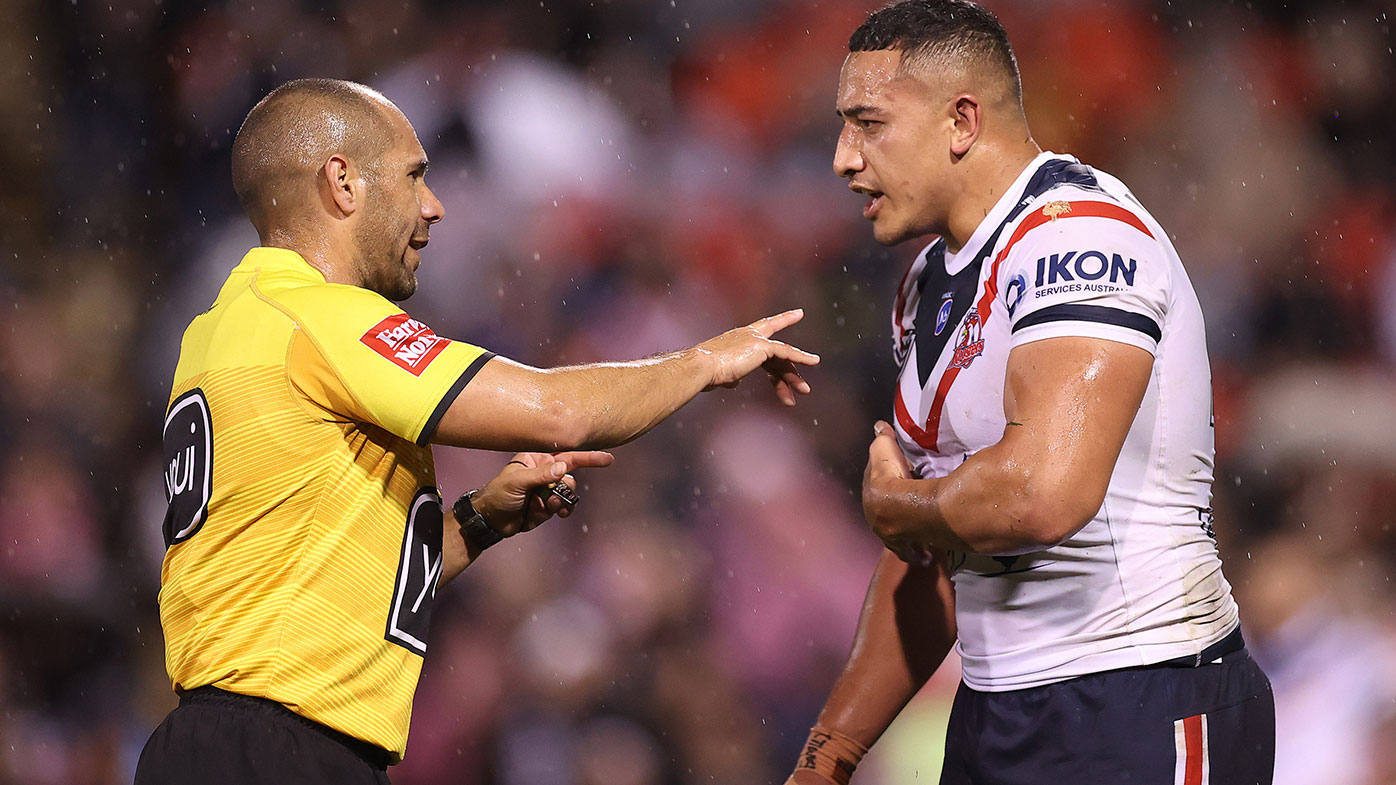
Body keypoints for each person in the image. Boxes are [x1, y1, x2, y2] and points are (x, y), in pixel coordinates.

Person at [136, 78, 819, 785]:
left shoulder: (220, 330)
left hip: (220, 743)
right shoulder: (317, 317)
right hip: (277, 750)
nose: (433, 206)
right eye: (412, 176)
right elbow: (557, 411)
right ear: (341, 182)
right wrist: (706, 359)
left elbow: (323, 577)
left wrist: (479, 523)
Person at [786, 2, 1274, 784]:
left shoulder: (1080, 234)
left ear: (962, 121)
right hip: (995, 710)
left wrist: (897, 505)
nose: (844, 158)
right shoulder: (923, 286)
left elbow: (1044, 493)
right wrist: (828, 754)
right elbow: (930, 555)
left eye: (868, 123)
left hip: (1141, 694)